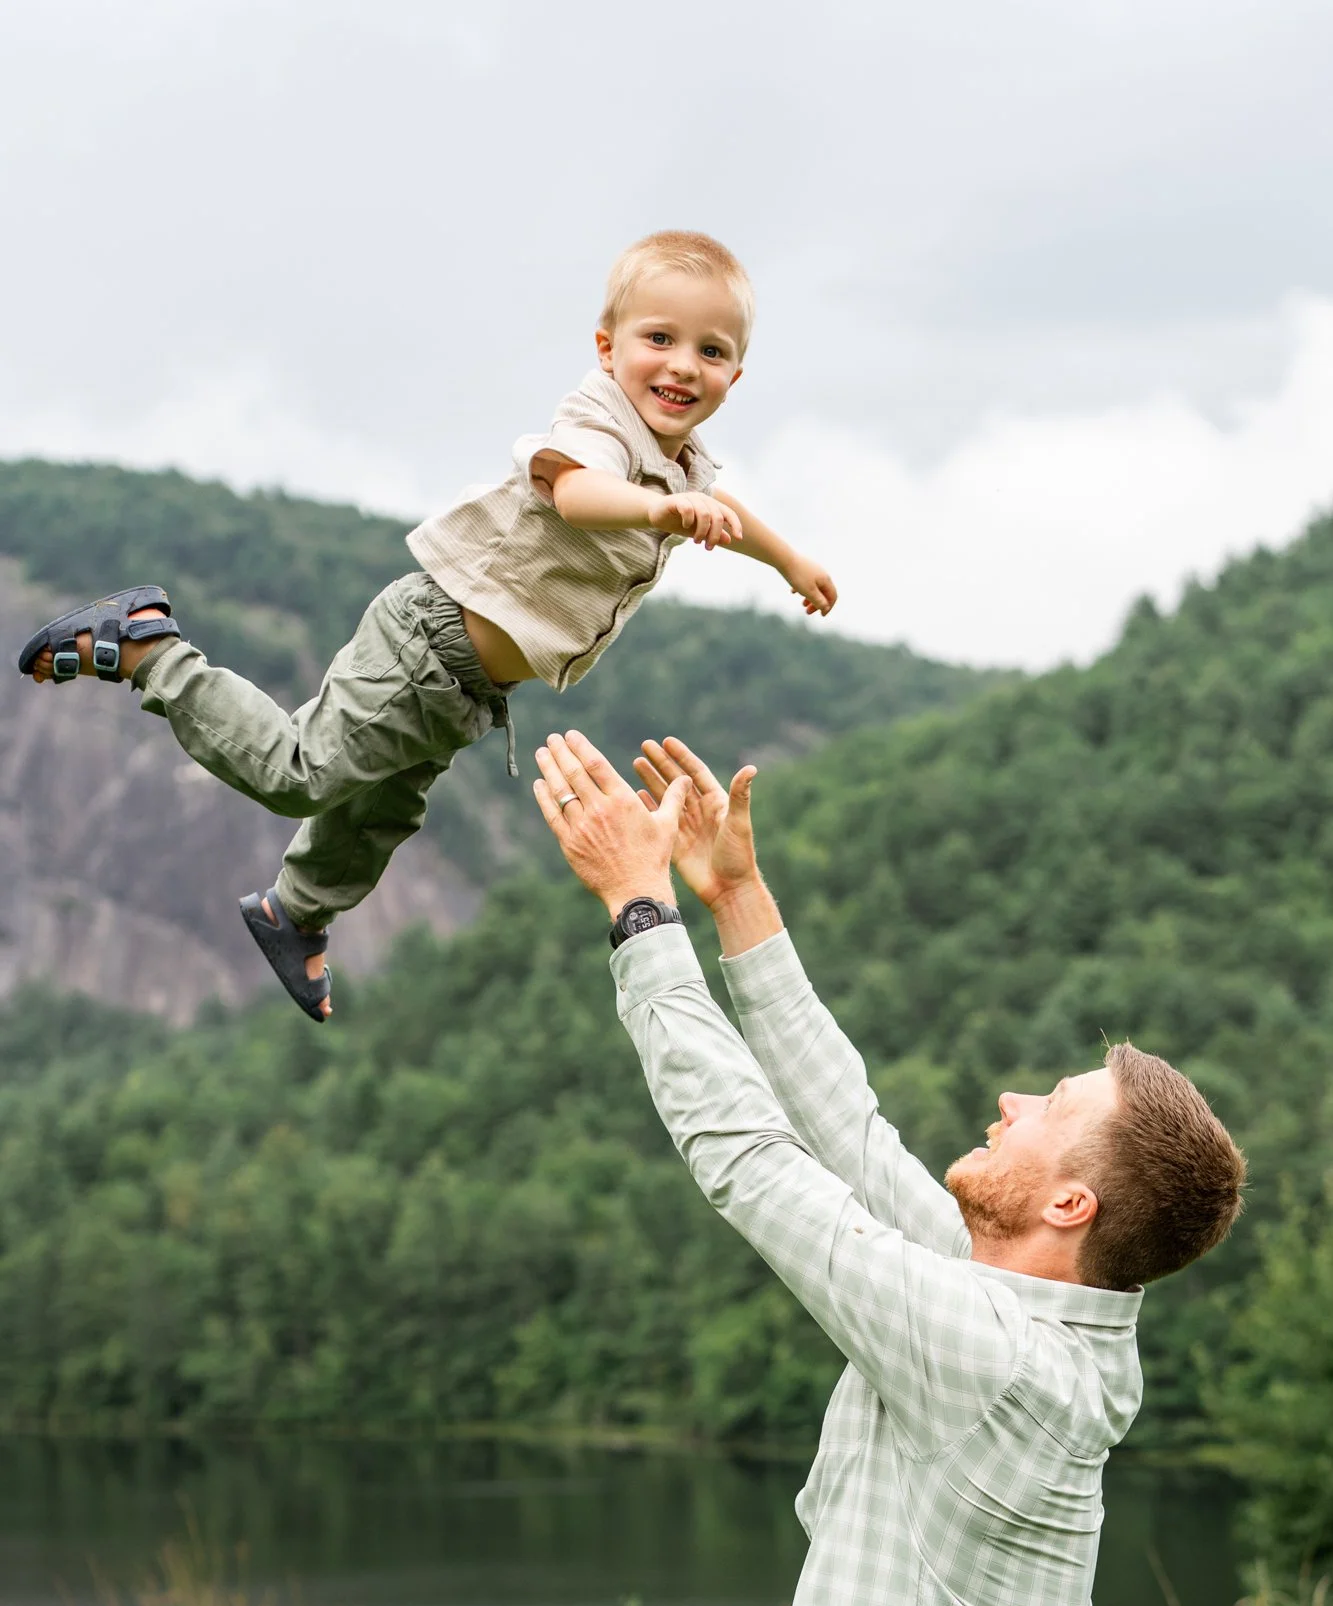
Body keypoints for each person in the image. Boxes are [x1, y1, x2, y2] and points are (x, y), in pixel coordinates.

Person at [531, 725, 1247, 1606]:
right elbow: (844, 1129)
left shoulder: (991, 1359)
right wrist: (735, 898)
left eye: (1051, 1105)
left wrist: (639, 911)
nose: (1015, 1098)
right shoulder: (1008, 1322)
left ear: (1070, 1204)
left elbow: (751, 1157)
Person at [16, 231, 835, 1021]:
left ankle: (292, 912)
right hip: (428, 641)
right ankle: (148, 649)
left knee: (378, 812)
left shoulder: (685, 461)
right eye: (659, 337)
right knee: (300, 772)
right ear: (606, 346)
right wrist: (659, 508)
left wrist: (788, 561)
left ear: (736, 372)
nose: (683, 365)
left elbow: (720, 507)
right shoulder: (601, 424)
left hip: (467, 688)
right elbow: (576, 492)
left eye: (712, 350)